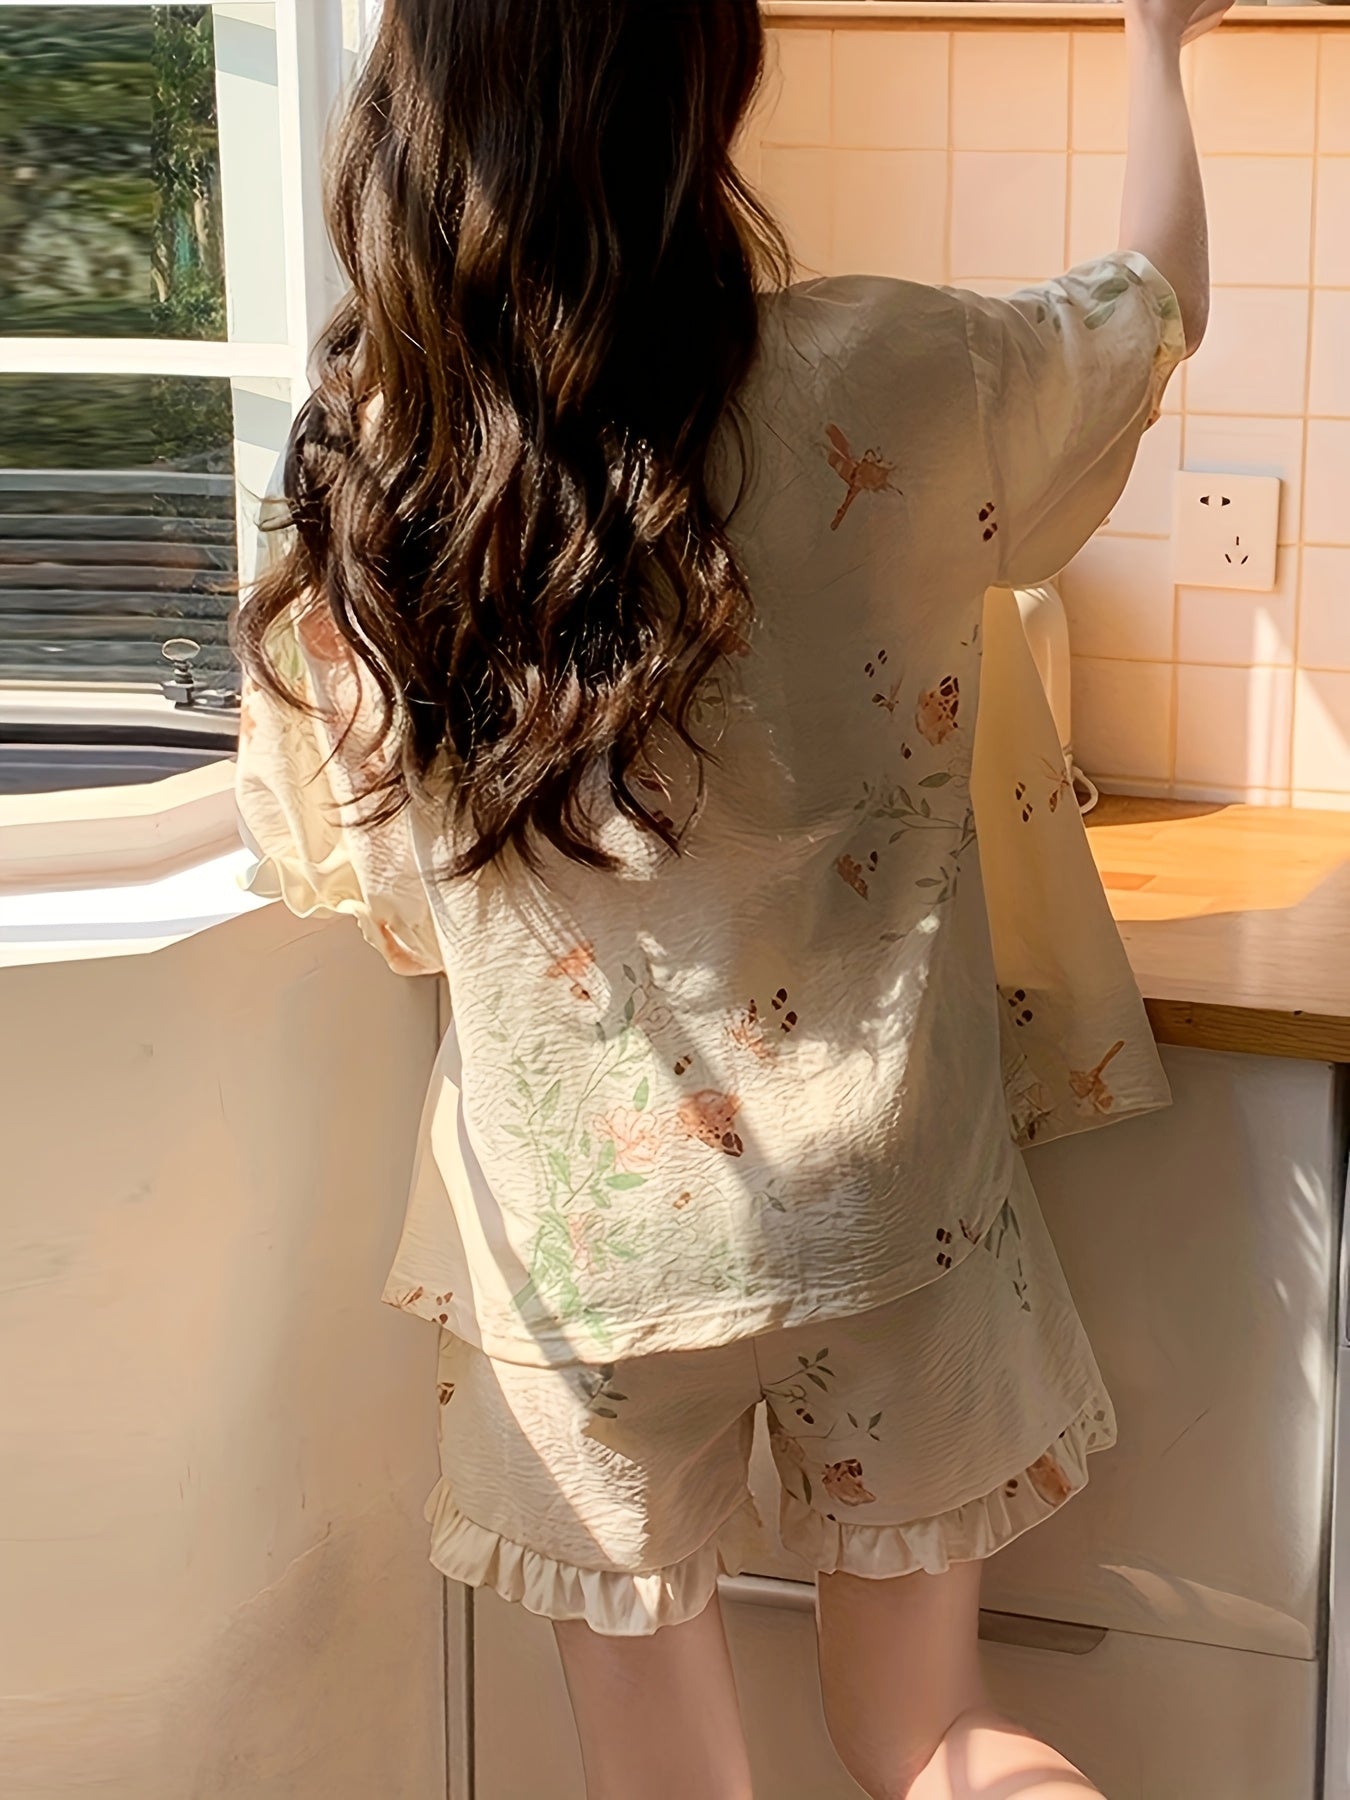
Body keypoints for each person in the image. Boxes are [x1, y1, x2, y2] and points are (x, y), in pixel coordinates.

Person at [233, 0, 1231, 1793]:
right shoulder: (894, 370)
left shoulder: (381, 456)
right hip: (892, 1210)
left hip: (582, 1249)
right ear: (713, 78)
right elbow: (1150, 304)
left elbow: (353, 869)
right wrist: (1155, 44)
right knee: (928, 1729)